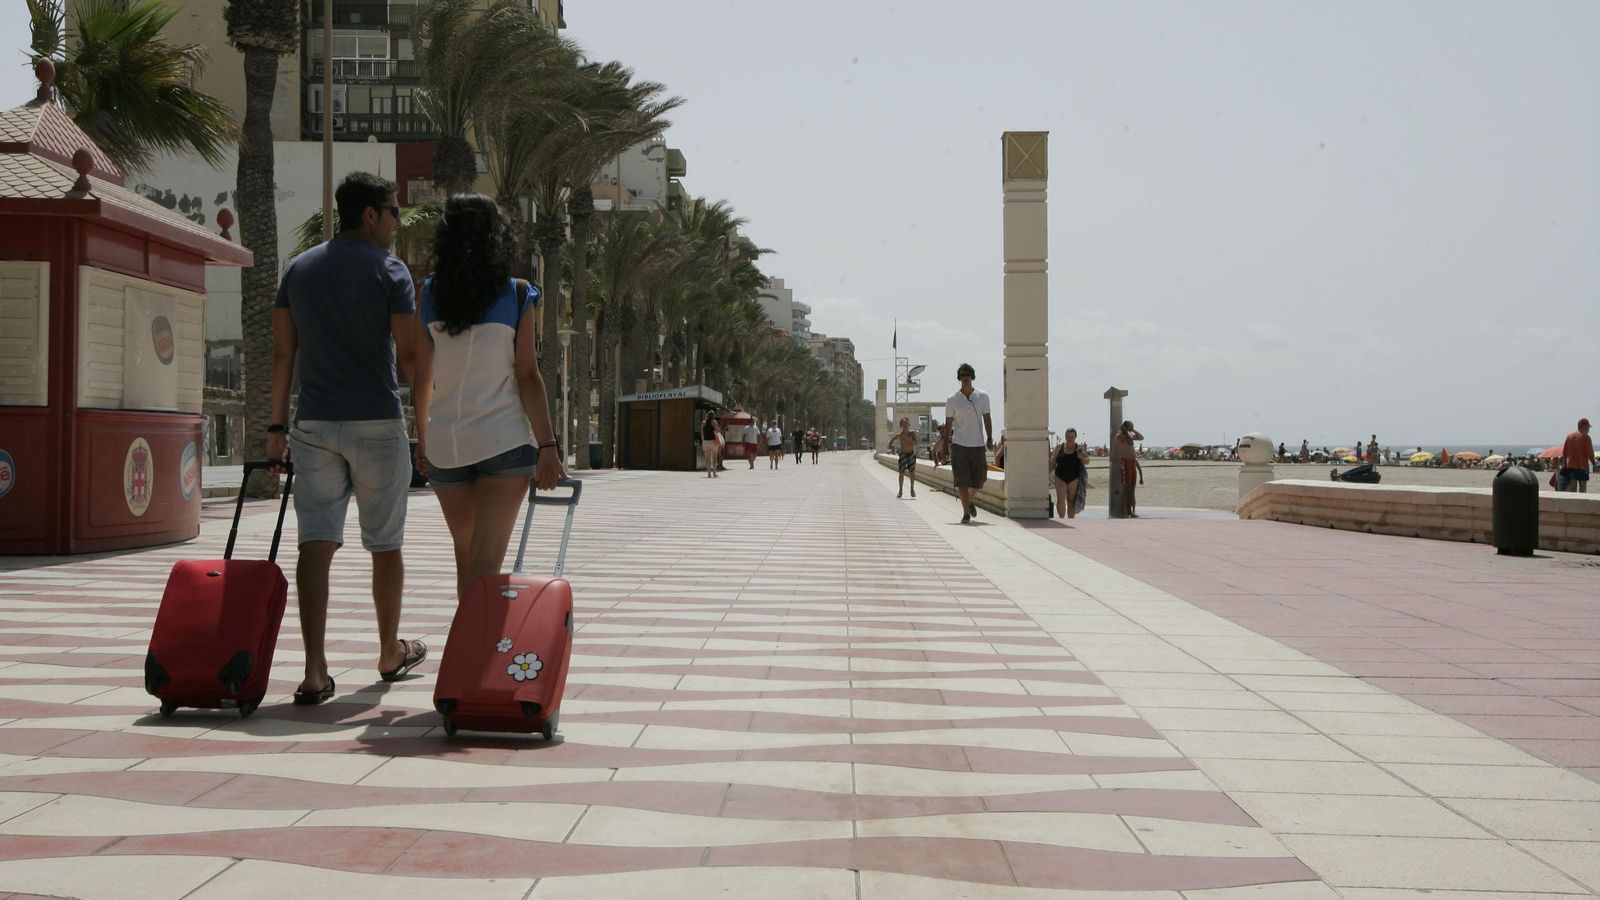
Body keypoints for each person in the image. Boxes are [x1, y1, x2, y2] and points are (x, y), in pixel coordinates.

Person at [268, 172, 425, 706]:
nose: (397, 222)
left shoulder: (298, 268)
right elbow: (409, 358)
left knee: (316, 543)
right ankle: (388, 651)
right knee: (385, 544)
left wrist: (273, 430)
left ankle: (314, 671)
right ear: (369, 215)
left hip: (313, 426)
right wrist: (426, 429)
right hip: (378, 423)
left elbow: (283, 355)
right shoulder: (391, 271)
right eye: (393, 211)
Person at [412, 193, 565, 606]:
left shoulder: (428, 294)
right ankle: (476, 660)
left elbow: (422, 375)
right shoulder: (516, 294)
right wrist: (548, 445)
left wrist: (423, 439)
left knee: (467, 560)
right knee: (486, 562)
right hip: (504, 441)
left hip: (447, 443)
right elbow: (528, 376)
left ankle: (469, 653)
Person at [944, 362, 994, 524]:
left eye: (968, 375)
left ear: (972, 377)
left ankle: (969, 500)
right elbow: (948, 424)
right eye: (963, 376)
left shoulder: (982, 396)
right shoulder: (952, 399)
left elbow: (987, 418)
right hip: (959, 445)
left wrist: (990, 437)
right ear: (959, 378)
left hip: (978, 444)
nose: (965, 378)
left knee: (979, 480)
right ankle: (966, 512)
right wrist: (946, 446)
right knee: (962, 481)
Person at [1052, 427, 1089, 518]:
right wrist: (1046, 474)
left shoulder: (1079, 447)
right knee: (1061, 499)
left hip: (1074, 477)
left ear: (1075, 437)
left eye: (1072, 437)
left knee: (1071, 500)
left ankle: (1071, 520)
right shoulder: (1059, 448)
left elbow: (1087, 461)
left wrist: (1081, 457)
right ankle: (1061, 519)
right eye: (1068, 436)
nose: (1070, 439)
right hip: (1060, 476)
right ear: (1065, 436)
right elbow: (1053, 463)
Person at [1114, 420, 1144, 518]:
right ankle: (1123, 511)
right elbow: (1128, 437)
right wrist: (1126, 430)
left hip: (1132, 462)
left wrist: (1133, 429)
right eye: (1130, 426)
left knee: (1131, 488)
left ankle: (1130, 510)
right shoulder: (1120, 436)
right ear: (1125, 427)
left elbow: (1141, 437)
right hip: (1125, 462)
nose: (1132, 429)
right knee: (1126, 487)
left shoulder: (1129, 434)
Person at [1559, 417, 1593, 493]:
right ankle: (1582, 502)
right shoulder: (1586, 437)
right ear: (1584, 427)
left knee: (1572, 486)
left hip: (1571, 466)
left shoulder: (1569, 436)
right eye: (1588, 427)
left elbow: (1564, 453)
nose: (1588, 429)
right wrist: (1594, 464)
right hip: (1583, 467)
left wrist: (1564, 466)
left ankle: (1571, 502)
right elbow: (1590, 454)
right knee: (1583, 487)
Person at [892, 417, 919, 498]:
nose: (905, 425)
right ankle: (900, 491)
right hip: (903, 454)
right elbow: (892, 439)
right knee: (901, 473)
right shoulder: (899, 435)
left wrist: (908, 439)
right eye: (903, 424)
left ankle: (912, 488)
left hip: (911, 454)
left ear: (909, 424)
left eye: (906, 423)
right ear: (901, 426)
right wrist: (889, 445)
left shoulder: (912, 433)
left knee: (912, 473)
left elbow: (916, 443)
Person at [702, 411, 722, 478]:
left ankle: (708, 474)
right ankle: (714, 473)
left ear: (707, 415)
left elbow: (702, 433)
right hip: (713, 442)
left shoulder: (703, 422)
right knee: (714, 458)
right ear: (713, 416)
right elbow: (718, 431)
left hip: (705, 441)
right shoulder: (714, 422)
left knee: (707, 458)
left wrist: (703, 440)